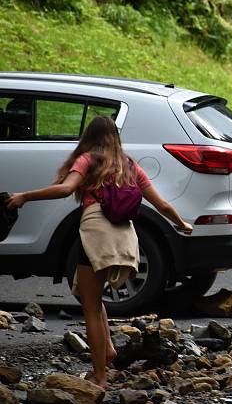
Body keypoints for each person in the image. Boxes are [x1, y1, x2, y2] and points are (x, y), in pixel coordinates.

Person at [5, 116, 193, 388]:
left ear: (89, 137)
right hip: (124, 235)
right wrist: (181, 223)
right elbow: (161, 204)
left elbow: (65, 189)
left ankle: (100, 376)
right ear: (115, 138)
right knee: (89, 294)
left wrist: (25, 196)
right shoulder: (129, 165)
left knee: (90, 307)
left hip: (96, 232)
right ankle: (108, 351)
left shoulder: (88, 159)